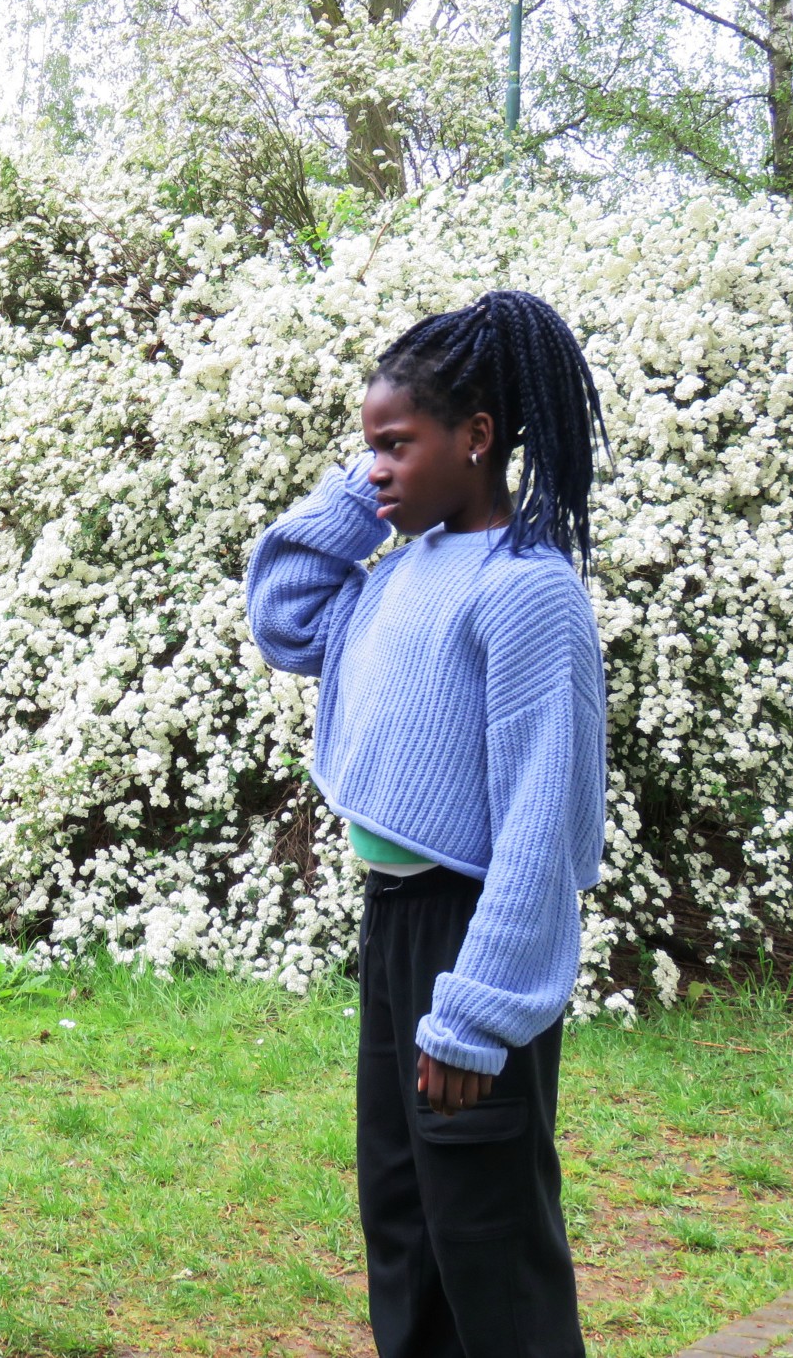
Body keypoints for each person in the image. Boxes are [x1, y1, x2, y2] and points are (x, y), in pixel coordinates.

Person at [243, 290, 609, 1358]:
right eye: (366, 451)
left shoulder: (526, 591)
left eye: (396, 446)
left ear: (477, 437)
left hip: (468, 937)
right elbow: (284, 613)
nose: (376, 470)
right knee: (403, 1229)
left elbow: (543, 824)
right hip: (395, 924)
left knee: (487, 1241)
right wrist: (360, 501)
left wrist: (478, 1013)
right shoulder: (400, 570)